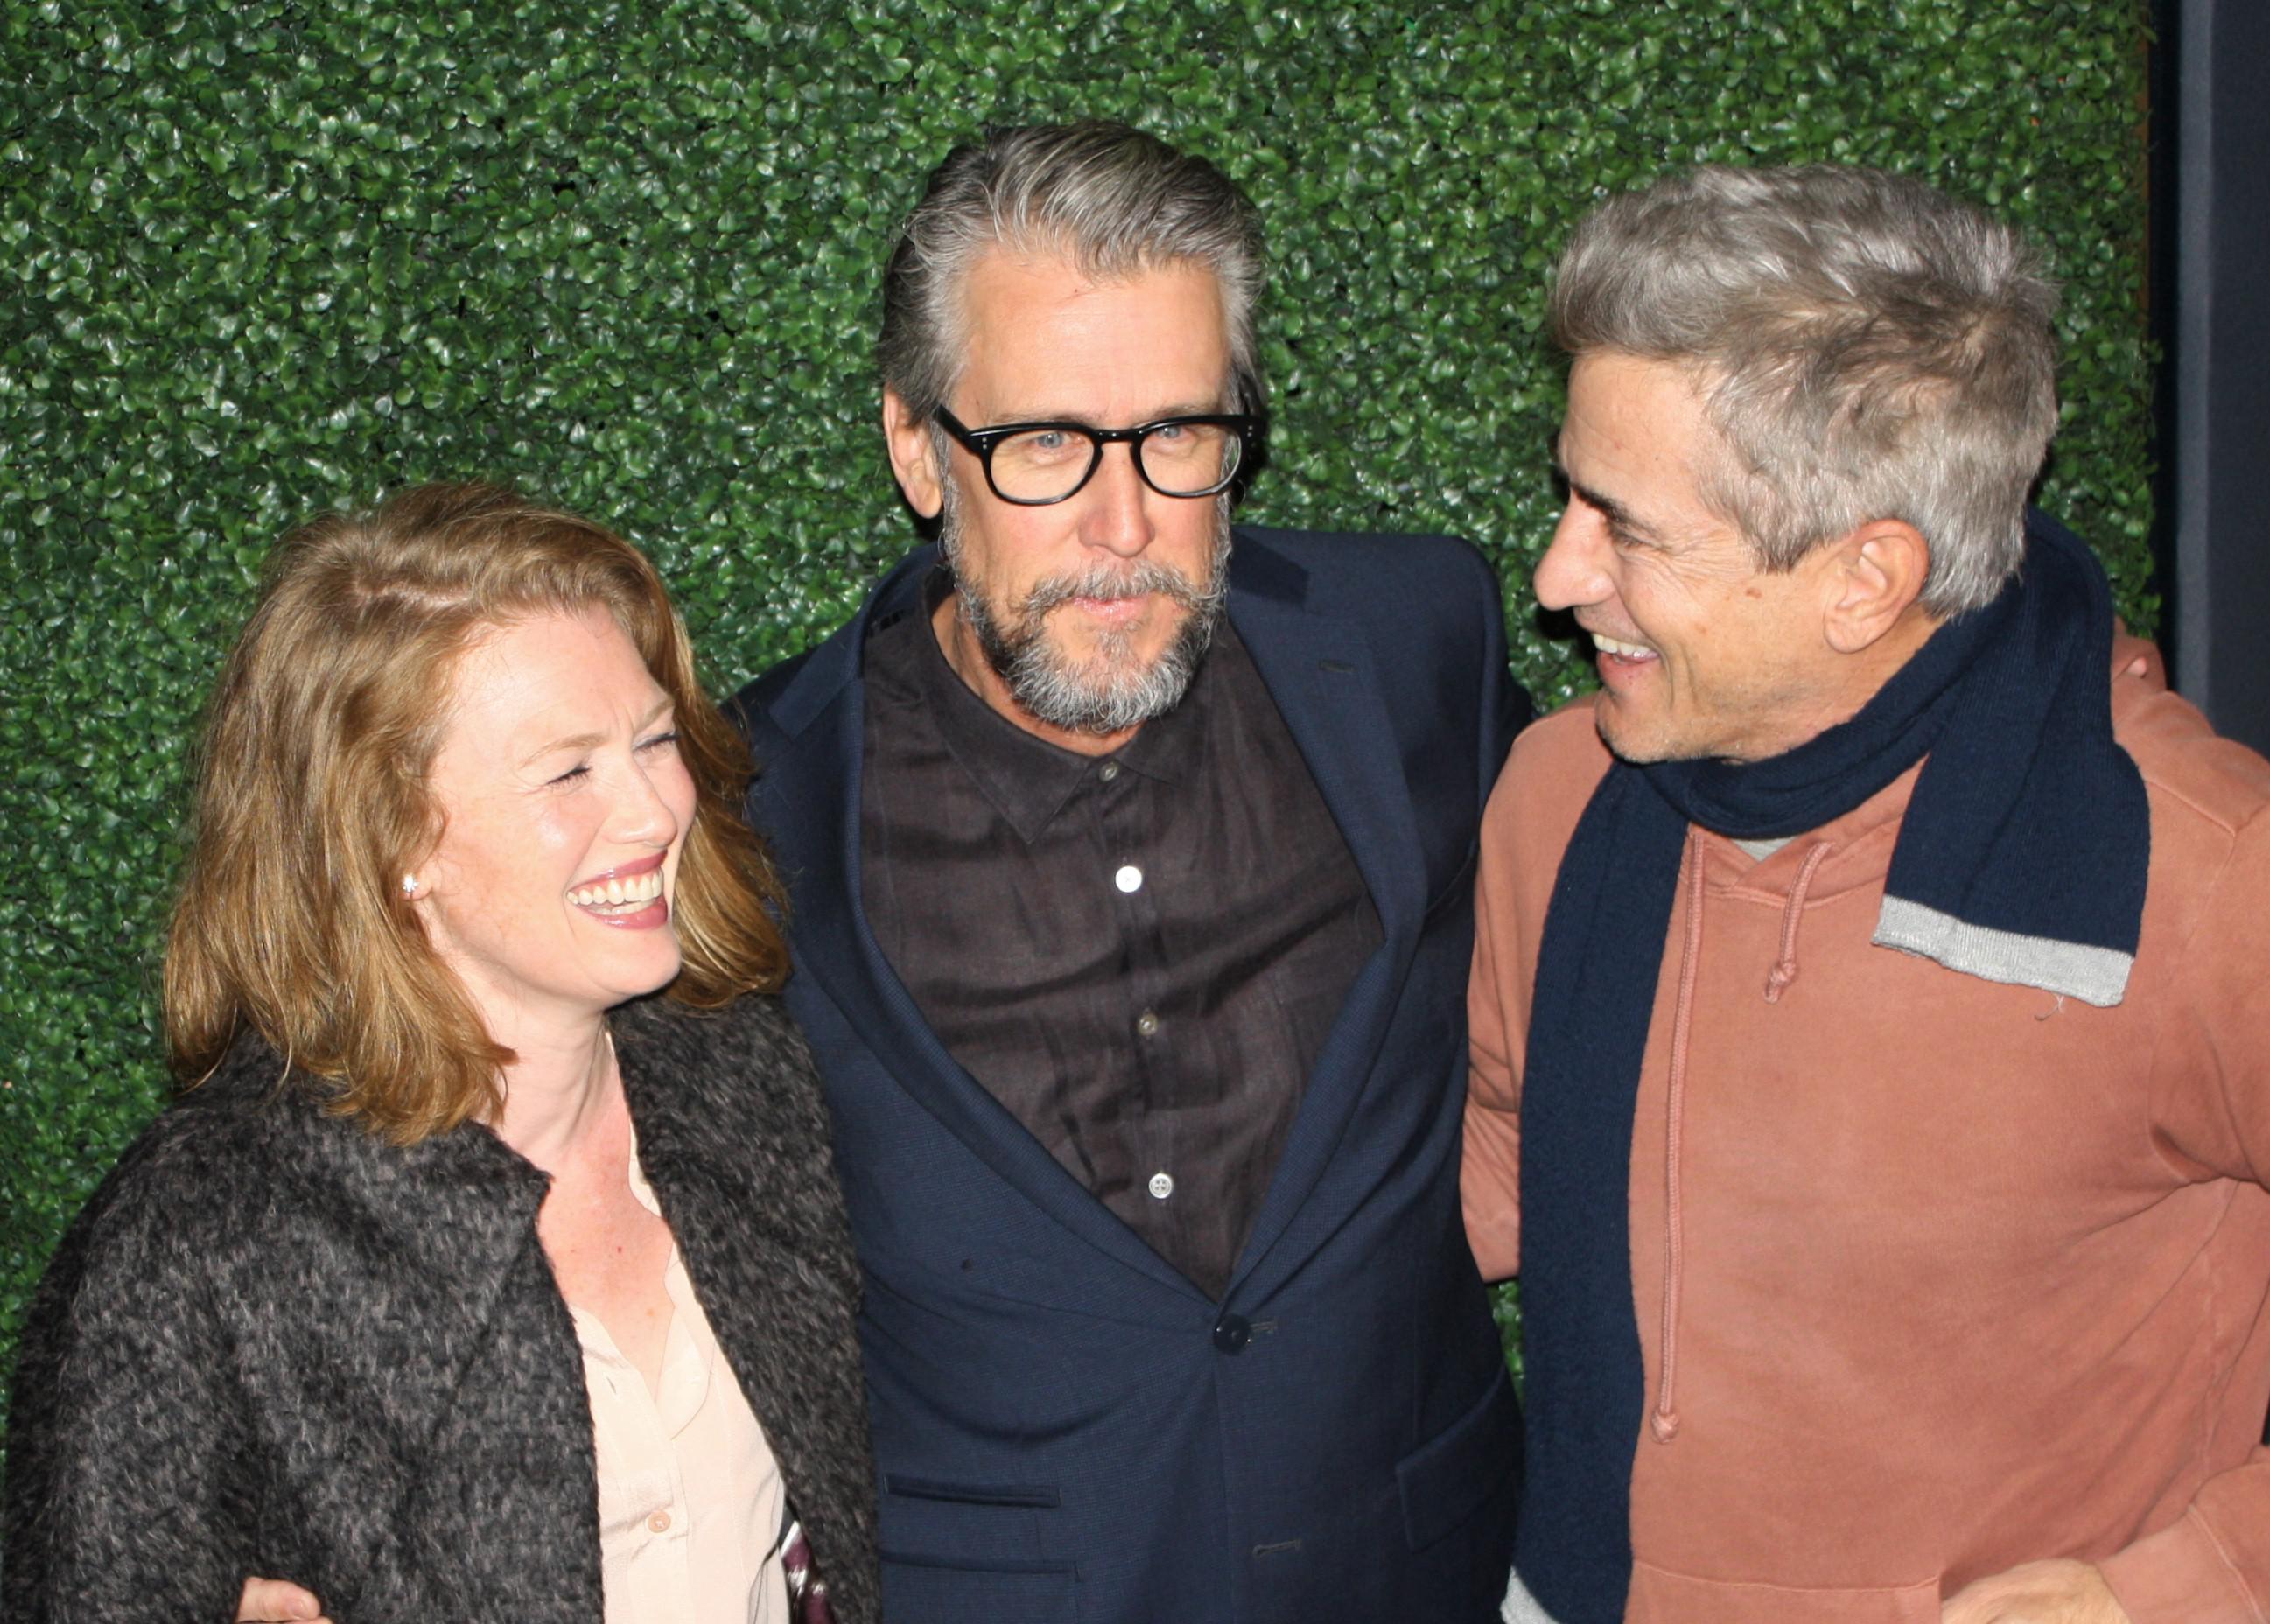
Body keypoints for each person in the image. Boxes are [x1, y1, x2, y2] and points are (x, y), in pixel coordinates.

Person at [1462, 163, 2270, 1624]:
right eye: (1570, 496)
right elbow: (1507, 1143)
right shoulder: (1564, 793)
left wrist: (2190, 1589)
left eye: (1627, 527)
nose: (1554, 576)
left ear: (1865, 580)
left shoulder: (2207, 877)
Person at [735, 121, 1531, 1623]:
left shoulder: (1417, 643)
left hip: (1415, 1561)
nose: (1126, 525)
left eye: (1178, 434)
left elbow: (1633, 900)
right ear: (916, 448)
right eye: (1044, 445)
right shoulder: (759, 799)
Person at [0, 484, 879, 1624]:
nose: (657, 813)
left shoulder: (741, 1080)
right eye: (568, 770)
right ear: (390, 837)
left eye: (654, 740)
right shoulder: (203, 1238)